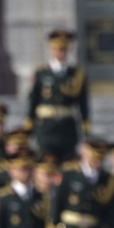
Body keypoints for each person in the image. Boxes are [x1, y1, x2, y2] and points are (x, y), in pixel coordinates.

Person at [27, 28, 88, 159]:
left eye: (63, 49)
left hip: (67, 126)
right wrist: (30, 120)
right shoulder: (42, 72)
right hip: (46, 126)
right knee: (47, 160)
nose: (60, 52)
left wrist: (86, 124)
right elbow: (34, 99)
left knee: (68, 160)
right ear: (51, 50)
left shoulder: (76, 74)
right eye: (57, 49)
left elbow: (83, 102)